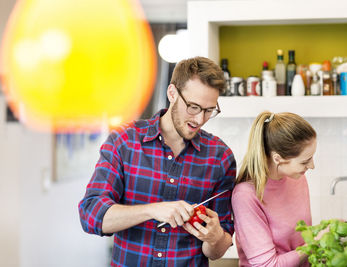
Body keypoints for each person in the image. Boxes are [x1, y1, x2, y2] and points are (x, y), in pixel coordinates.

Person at [78, 57, 236, 266]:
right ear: (172, 93)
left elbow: (217, 250)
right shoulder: (125, 142)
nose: (199, 119)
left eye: (209, 111)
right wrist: (152, 210)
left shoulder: (220, 157)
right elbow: (91, 215)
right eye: (193, 107)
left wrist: (215, 238)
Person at [232, 111, 317, 267]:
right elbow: (268, 265)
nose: (312, 166)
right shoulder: (245, 196)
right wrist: (316, 242)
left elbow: (299, 241)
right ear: (278, 158)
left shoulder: (298, 178)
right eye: (305, 161)